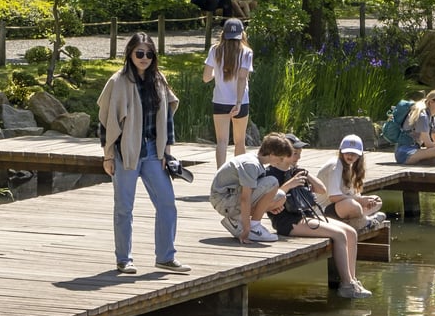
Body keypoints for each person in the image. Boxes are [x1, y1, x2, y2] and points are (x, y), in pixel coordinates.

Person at [97, 32, 191, 275]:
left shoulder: (158, 80)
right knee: (124, 208)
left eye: (149, 54)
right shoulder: (117, 82)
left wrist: (167, 154)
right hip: (124, 151)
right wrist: (107, 155)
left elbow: (168, 117)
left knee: (167, 203)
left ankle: (166, 257)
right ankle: (124, 259)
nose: (144, 58)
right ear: (130, 53)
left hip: (153, 151)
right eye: (140, 53)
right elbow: (106, 122)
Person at [265, 134, 372, 299]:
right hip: (288, 221)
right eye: (295, 154)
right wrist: (289, 184)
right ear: (283, 154)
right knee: (339, 234)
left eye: (300, 154)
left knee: (351, 232)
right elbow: (269, 201)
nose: (298, 157)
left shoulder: (295, 170)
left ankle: (352, 280)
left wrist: (305, 174)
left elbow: (321, 190)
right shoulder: (271, 174)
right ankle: (346, 284)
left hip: (307, 216)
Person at [210, 132, 292, 244]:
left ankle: (236, 220)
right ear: (272, 154)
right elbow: (245, 198)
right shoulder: (251, 164)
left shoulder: (258, 163)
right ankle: (253, 226)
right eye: (281, 158)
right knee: (272, 182)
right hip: (223, 200)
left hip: (233, 197)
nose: (281, 161)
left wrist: (267, 205)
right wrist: (247, 229)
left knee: (280, 197)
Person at [203, 18, 253, 169]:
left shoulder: (215, 50)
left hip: (220, 101)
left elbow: (206, 78)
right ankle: (239, 176)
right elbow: (242, 78)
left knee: (222, 141)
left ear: (223, 33)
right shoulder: (246, 52)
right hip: (241, 102)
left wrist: (216, 76)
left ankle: (220, 177)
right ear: (242, 33)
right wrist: (238, 102)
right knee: (239, 142)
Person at [315, 134, 386, 232]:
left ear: (359, 155)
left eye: (354, 153)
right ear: (341, 151)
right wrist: (360, 200)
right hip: (322, 210)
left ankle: (354, 222)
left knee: (377, 201)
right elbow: (333, 197)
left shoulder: (352, 167)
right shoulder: (335, 165)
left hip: (340, 208)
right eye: (347, 152)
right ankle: (367, 222)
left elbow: (352, 195)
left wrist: (364, 200)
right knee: (353, 205)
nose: (350, 155)